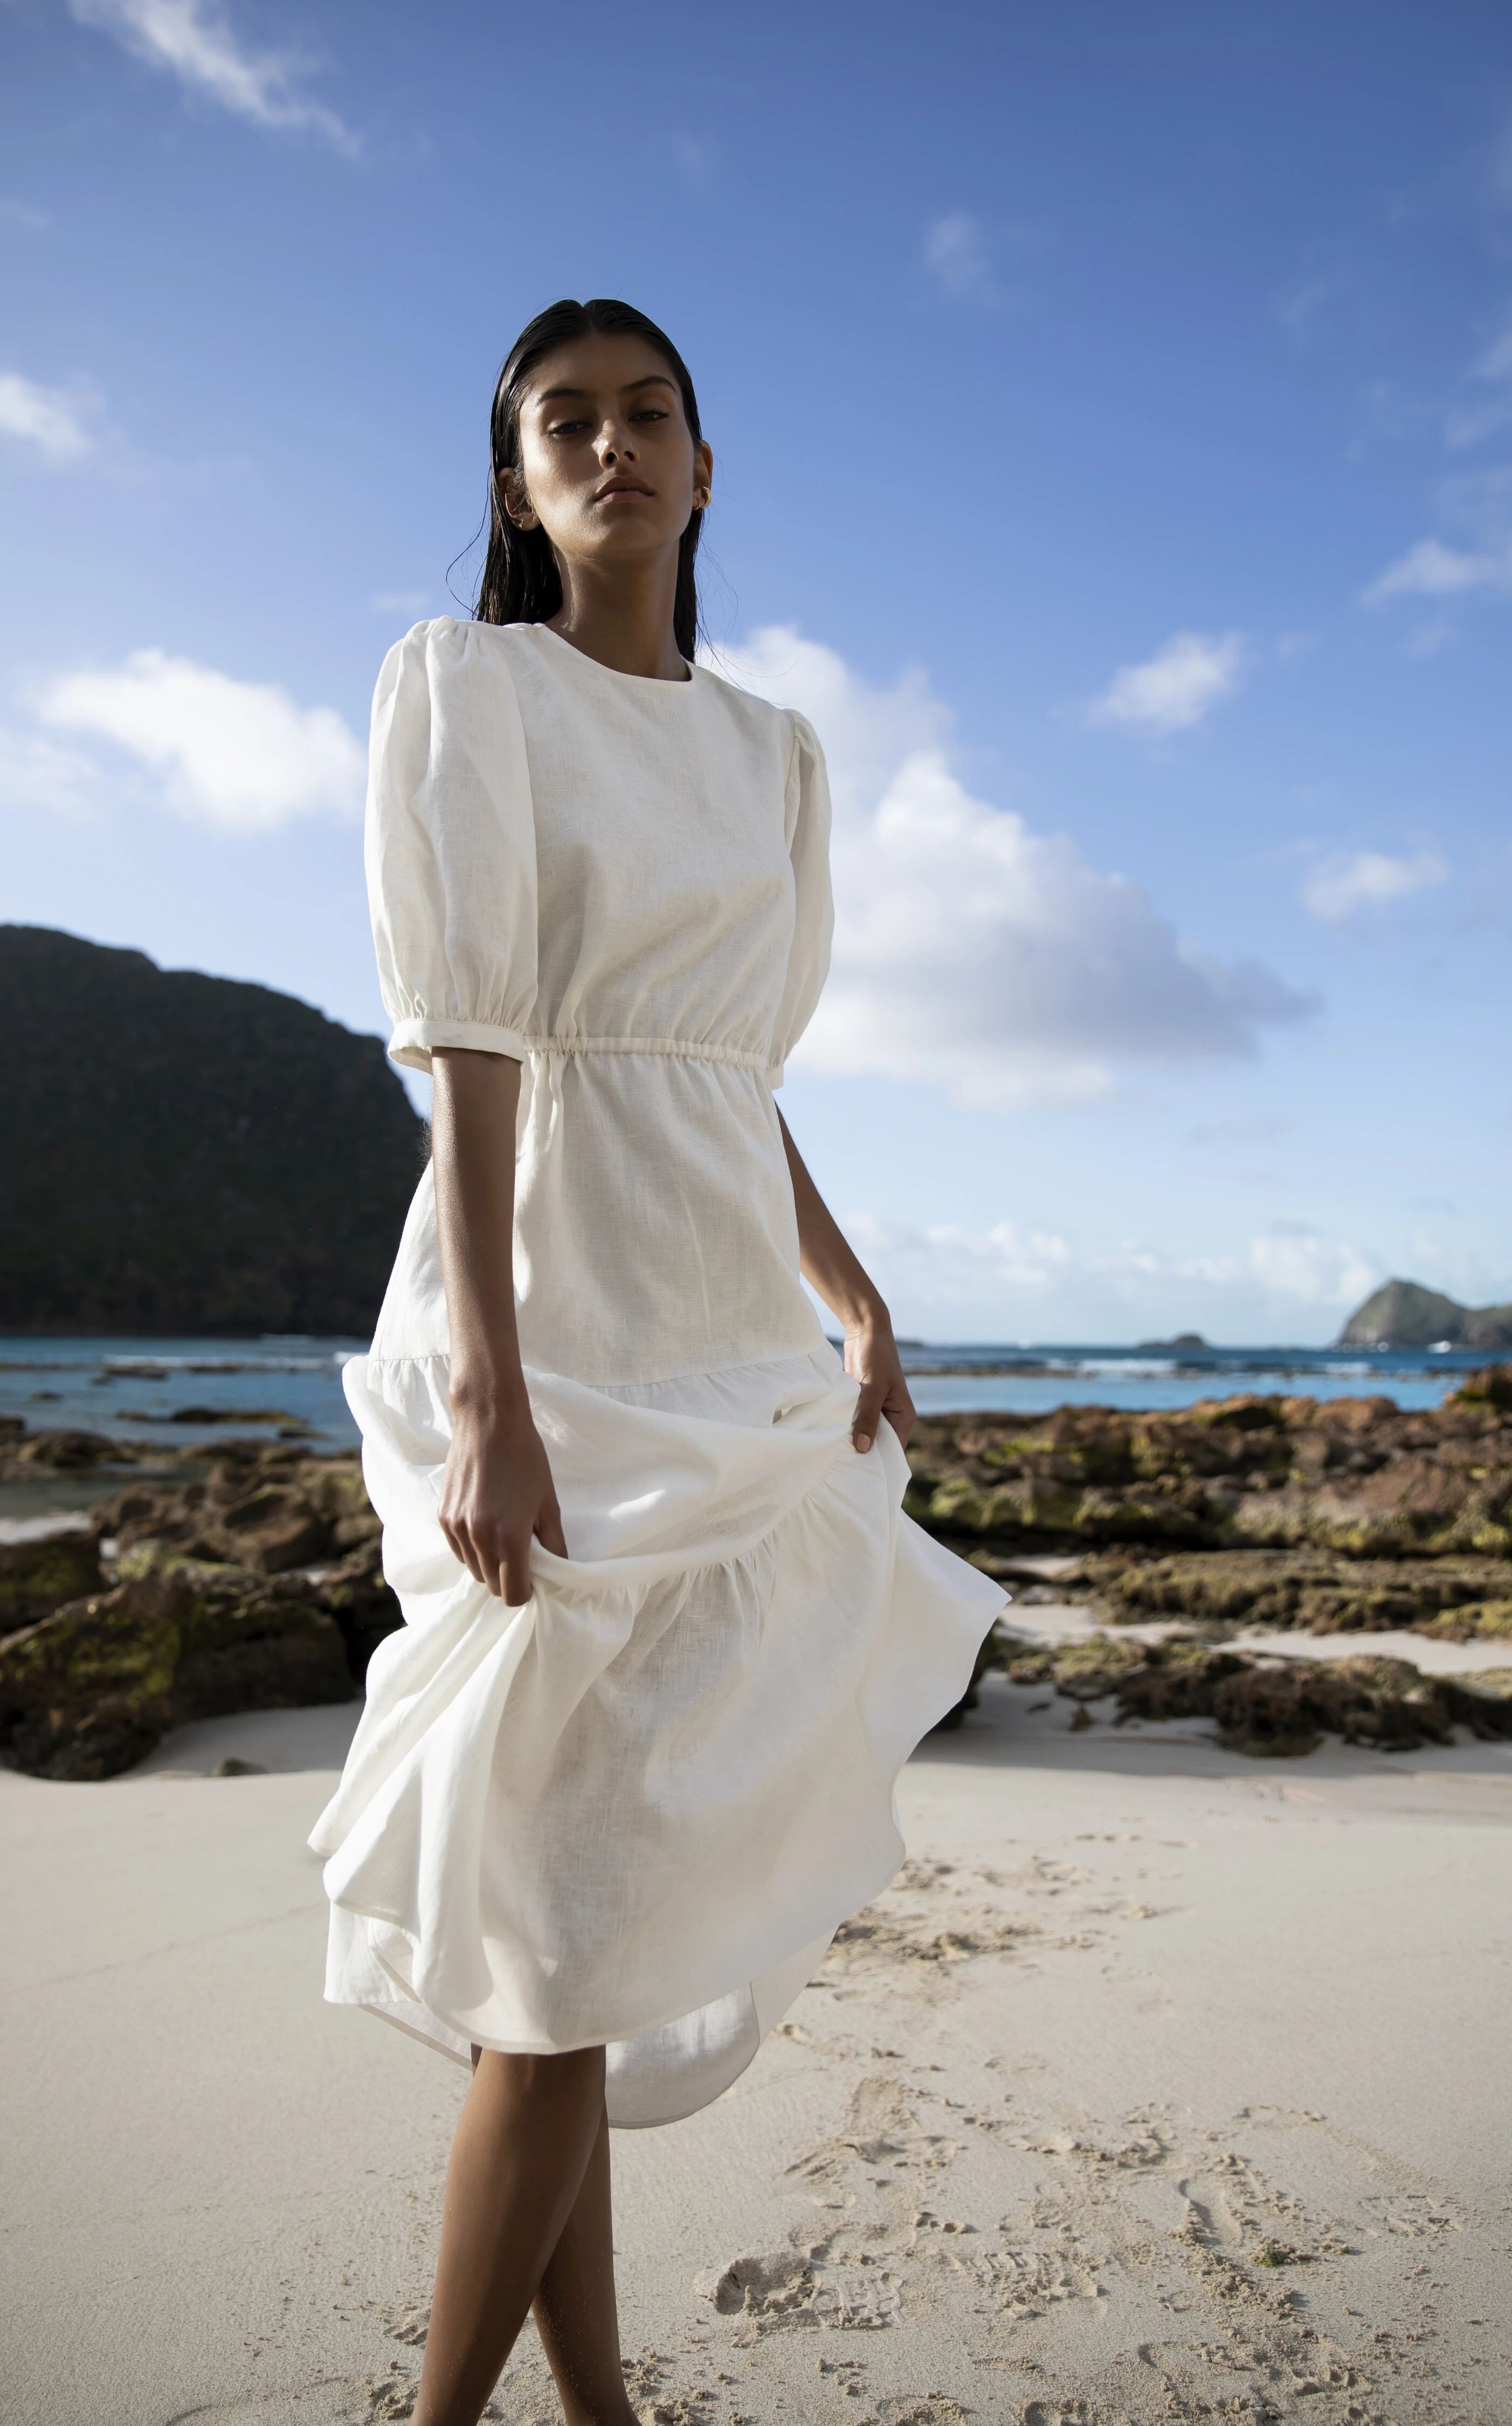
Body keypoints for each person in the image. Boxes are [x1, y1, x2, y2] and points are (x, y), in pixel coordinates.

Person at [309, 297, 1005, 2426]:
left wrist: (852, 1291)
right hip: (553, 1336)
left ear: (706, 467)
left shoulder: (775, 752)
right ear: (519, 482)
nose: (611, 445)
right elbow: (480, 1046)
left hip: (721, 1329)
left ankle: (601, 2412)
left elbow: (720, 1077)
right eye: (565, 421)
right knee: (549, 1958)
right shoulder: (473, 690)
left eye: (648, 414)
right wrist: (496, 1397)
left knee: (578, 1941)